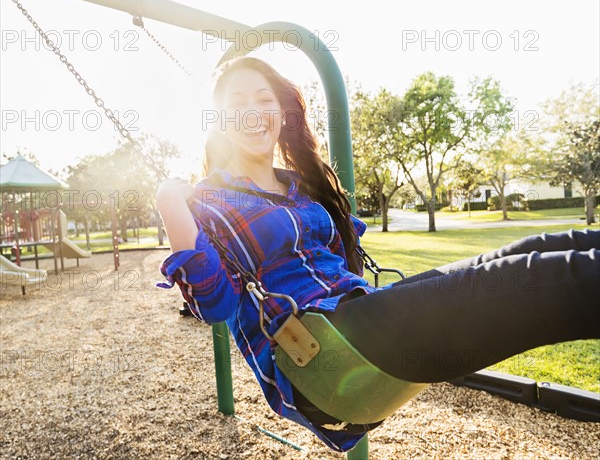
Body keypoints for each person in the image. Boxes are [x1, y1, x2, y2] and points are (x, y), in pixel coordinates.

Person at [156, 56, 600, 453]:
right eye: (237, 102)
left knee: (547, 248)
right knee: (549, 278)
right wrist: (169, 202)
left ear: (281, 112)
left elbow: (343, 263)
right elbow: (215, 306)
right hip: (320, 358)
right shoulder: (207, 203)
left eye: (263, 99)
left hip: (360, 317)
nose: (253, 111)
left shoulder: (299, 188)